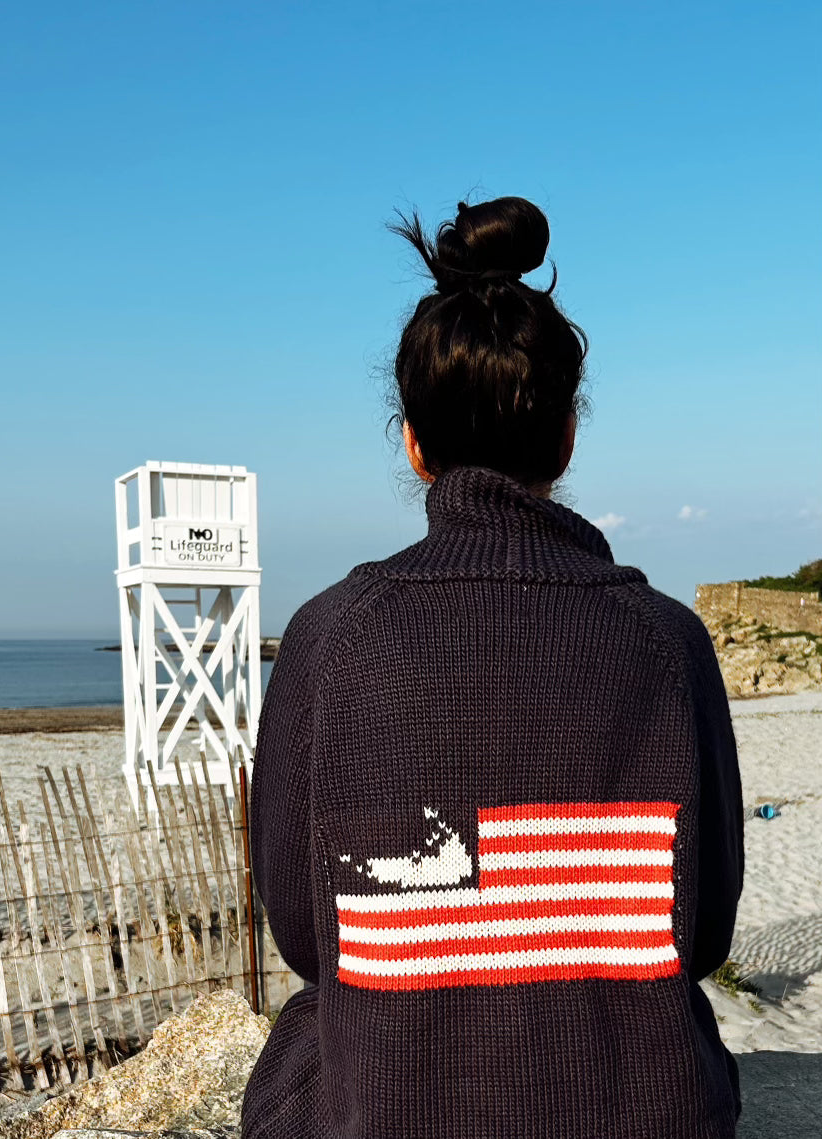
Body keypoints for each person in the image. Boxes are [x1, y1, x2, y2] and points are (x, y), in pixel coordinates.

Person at [240, 195, 744, 1139]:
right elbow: (703, 931)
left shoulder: (328, 637)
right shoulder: (664, 640)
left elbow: (308, 941)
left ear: (413, 443)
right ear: (565, 436)